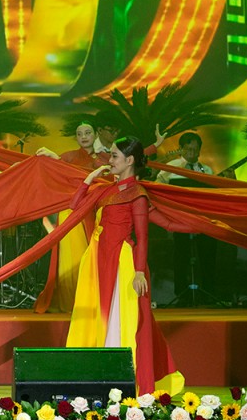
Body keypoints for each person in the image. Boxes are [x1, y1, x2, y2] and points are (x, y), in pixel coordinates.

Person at [64, 137, 186, 395]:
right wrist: (90, 178)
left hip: (122, 263)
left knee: (120, 321)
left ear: (129, 160)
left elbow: (142, 236)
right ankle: (99, 377)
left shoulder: (137, 194)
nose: (109, 160)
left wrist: (139, 272)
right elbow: (74, 206)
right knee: (99, 319)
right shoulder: (106, 189)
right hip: (97, 261)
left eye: (114, 156)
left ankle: (119, 382)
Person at [34, 123, 104, 312]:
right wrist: (52, 157)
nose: (84, 137)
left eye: (88, 133)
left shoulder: (104, 158)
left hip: (93, 212)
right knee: (71, 258)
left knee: (90, 257)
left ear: (96, 134)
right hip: (70, 211)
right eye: (80, 134)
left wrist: (155, 146)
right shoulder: (69, 156)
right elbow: (56, 171)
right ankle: (70, 302)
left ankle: (89, 300)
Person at [165, 132, 221, 307]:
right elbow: (160, 189)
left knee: (207, 254)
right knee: (180, 255)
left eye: (195, 150)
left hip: (202, 219)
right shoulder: (170, 168)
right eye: (188, 149)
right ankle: (182, 294)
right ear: (181, 149)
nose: (192, 153)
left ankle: (208, 293)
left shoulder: (206, 170)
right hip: (179, 219)